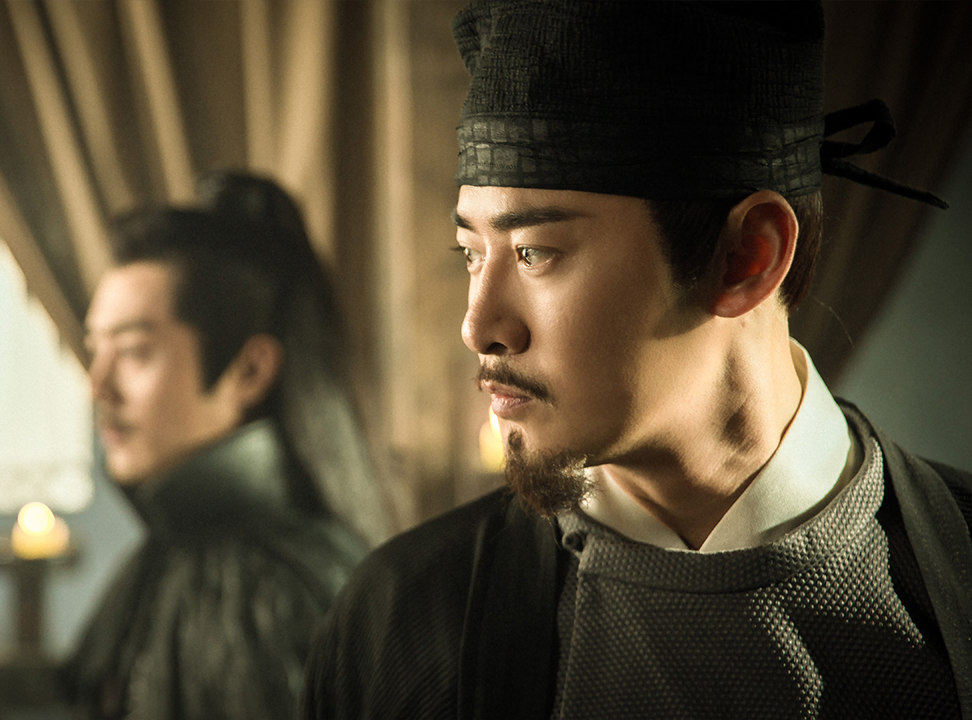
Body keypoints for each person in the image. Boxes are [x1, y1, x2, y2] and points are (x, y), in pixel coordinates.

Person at [303, 2, 972, 718]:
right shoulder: (399, 627)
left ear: (747, 257)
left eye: (534, 253)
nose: (478, 327)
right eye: (471, 253)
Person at [64, 172, 389, 719]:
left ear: (249, 370)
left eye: (135, 352)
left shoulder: (268, 591)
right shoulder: (167, 557)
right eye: (96, 349)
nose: (97, 387)